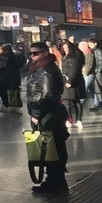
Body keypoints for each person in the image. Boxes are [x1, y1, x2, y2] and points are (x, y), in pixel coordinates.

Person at [25, 41, 69, 194]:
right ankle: (56, 180)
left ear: (44, 53)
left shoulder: (45, 70)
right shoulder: (43, 68)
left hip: (48, 114)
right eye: (30, 53)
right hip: (51, 113)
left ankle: (54, 181)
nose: (32, 56)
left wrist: (36, 114)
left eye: (36, 53)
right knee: (53, 147)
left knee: (51, 148)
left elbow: (47, 95)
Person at [61, 40, 84, 129]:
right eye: (64, 47)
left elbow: (75, 69)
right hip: (68, 80)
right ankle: (73, 120)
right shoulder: (67, 56)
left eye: (67, 47)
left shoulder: (74, 56)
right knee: (71, 101)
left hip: (72, 82)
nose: (65, 49)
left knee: (73, 101)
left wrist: (70, 81)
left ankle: (75, 120)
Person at [88, 38, 102, 111]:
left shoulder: (98, 51)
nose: (90, 46)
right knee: (100, 86)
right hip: (99, 71)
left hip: (100, 72)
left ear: (95, 43)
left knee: (101, 86)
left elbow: (101, 61)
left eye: (91, 44)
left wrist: (98, 71)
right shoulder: (96, 50)